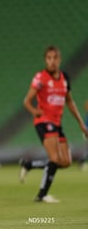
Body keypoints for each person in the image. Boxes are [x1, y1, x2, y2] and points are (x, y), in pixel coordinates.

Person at [21, 45, 88, 203]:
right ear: (45, 60)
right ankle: (42, 195)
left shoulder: (64, 78)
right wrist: (34, 110)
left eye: (55, 58)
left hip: (57, 124)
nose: (52, 61)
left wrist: (81, 124)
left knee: (66, 162)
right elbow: (27, 101)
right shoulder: (41, 77)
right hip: (44, 122)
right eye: (49, 58)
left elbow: (70, 102)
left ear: (60, 59)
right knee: (55, 158)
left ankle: (29, 165)